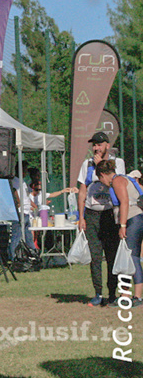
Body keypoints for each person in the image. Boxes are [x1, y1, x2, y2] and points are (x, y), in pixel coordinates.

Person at [77, 131, 125, 307]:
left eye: (98, 144)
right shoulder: (86, 164)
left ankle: (112, 293)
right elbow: (82, 190)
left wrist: (102, 166)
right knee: (95, 256)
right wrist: (81, 216)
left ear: (107, 145)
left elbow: (118, 183)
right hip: (92, 214)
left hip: (109, 214)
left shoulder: (117, 163)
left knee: (112, 255)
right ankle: (98, 293)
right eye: (93, 145)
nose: (95, 148)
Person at [95, 160, 143, 307]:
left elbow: (124, 202)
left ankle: (138, 296)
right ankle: (125, 295)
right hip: (134, 219)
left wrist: (122, 225)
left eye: (100, 179)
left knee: (132, 257)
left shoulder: (117, 181)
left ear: (103, 174)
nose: (102, 183)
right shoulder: (124, 178)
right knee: (127, 257)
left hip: (132, 219)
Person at [10, 161, 35, 260]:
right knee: (17, 235)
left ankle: (32, 254)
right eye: (24, 170)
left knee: (28, 235)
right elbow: (14, 191)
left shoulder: (23, 182)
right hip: (20, 211)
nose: (26, 173)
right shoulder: (15, 180)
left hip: (26, 211)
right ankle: (13, 257)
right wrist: (18, 202)